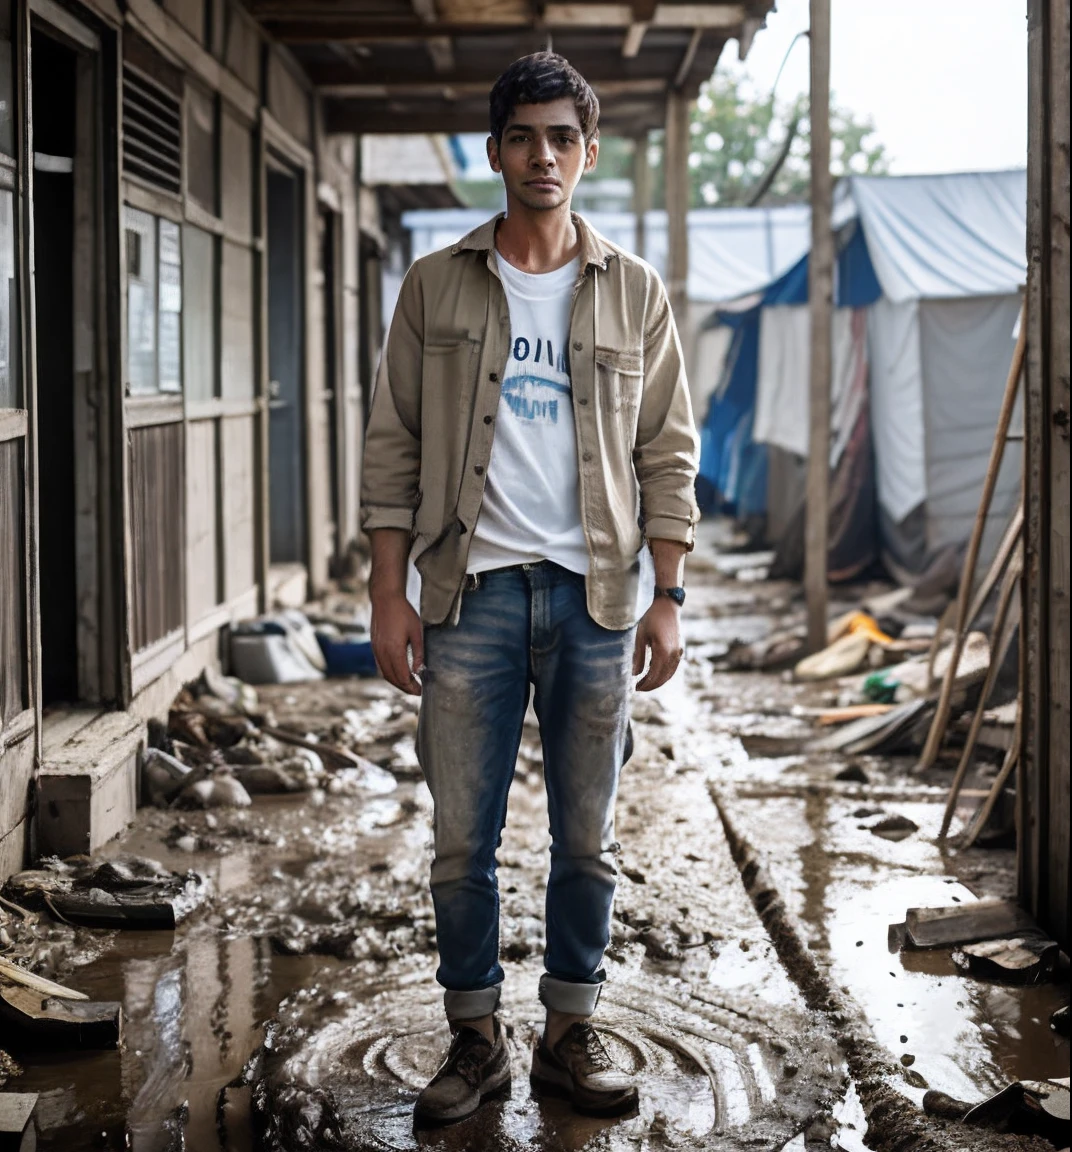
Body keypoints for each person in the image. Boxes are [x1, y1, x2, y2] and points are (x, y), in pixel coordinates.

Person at [360, 51, 699, 1127]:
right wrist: (386, 594)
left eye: (562, 136)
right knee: (462, 839)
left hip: (597, 600)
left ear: (586, 153)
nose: (542, 154)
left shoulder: (635, 291)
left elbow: (666, 450)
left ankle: (567, 1032)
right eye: (522, 136)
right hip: (471, 597)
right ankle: (473, 1039)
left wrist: (668, 593)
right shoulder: (437, 283)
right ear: (495, 152)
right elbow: (393, 447)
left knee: (585, 842)